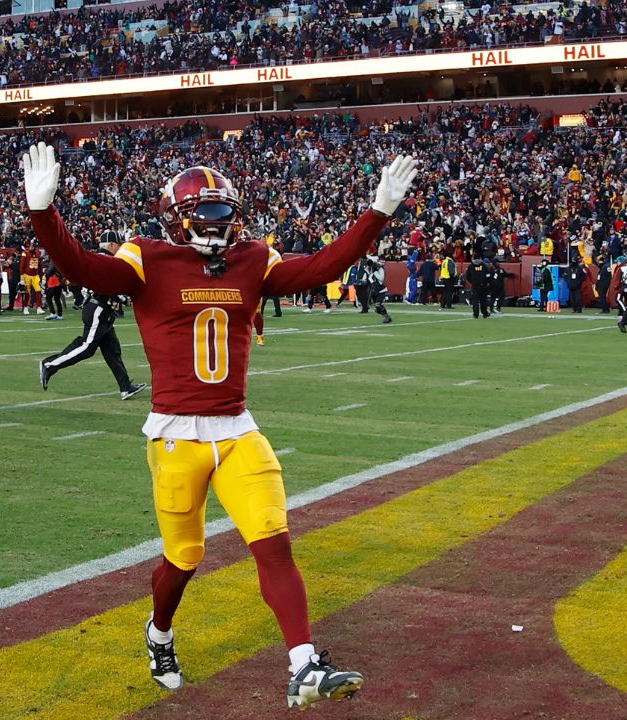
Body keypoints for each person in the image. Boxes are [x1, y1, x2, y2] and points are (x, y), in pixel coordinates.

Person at [23, 142, 419, 708]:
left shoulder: (253, 259)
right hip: (176, 435)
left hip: (237, 431)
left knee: (274, 543)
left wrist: (378, 210)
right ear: (178, 217)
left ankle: (303, 664)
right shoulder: (146, 257)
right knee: (184, 557)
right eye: (207, 213)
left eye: (225, 212)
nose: (219, 223)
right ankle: (159, 632)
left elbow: (322, 267)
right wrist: (44, 213)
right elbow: (85, 268)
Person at [39, 231, 147, 398]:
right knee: (87, 347)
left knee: (112, 351)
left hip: (102, 309)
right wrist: (123, 298)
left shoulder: (100, 259)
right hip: (98, 308)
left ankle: (125, 387)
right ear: (111, 245)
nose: (121, 248)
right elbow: (105, 285)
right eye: (119, 244)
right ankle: (50, 364)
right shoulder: (106, 261)